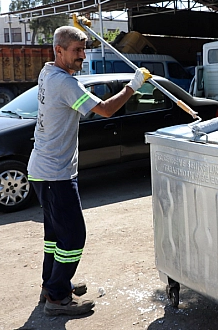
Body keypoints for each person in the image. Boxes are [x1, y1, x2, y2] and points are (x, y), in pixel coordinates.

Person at [28, 25, 151, 316]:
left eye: (84, 50)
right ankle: (57, 299)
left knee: (56, 236)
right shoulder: (64, 83)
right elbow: (106, 110)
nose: (82, 56)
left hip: (43, 170)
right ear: (58, 51)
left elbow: (72, 88)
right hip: (54, 173)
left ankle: (53, 285)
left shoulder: (48, 72)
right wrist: (132, 86)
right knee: (73, 237)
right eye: (76, 51)